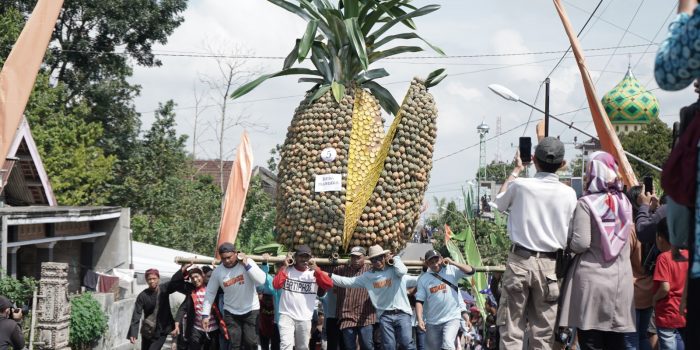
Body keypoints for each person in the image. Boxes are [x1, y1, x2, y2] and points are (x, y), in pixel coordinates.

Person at [493, 137, 577, 349]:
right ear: (562, 164)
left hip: (519, 261)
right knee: (544, 333)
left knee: (511, 328)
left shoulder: (520, 185)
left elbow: (499, 202)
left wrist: (517, 170)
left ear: (533, 159)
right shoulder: (569, 193)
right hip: (550, 266)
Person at [558, 151, 636, 349]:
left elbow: (581, 243)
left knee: (591, 342)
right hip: (621, 283)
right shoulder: (625, 203)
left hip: (592, 284)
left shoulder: (586, 203)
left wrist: (567, 242)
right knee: (616, 343)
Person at [331, 245, 416, 350]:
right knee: (389, 346)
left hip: (402, 313)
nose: (377, 261)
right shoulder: (368, 276)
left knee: (406, 343)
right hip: (385, 315)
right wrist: (328, 275)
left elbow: (403, 271)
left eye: (380, 257)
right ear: (370, 261)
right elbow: (348, 282)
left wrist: (395, 258)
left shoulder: (394, 270)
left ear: (384, 257)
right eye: (374, 259)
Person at [201, 243, 267, 350]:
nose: (226, 261)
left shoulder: (247, 262)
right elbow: (210, 292)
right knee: (235, 344)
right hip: (231, 313)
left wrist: (246, 264)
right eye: (223, 258)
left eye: (229, 257)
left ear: (236, 253)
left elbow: (261, 280)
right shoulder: (218, 272)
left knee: (251, 344)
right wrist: (205, 314)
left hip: (251, 310)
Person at [272, 244, 333, 350]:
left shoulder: (314, 273)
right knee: (286, 345)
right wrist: (285, 266)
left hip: (305, 317)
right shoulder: (288, 270)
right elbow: (276, 285)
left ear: (310, 258)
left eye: (306, 257)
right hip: (286, 315)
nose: (303, 259)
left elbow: (329, 285)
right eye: (301, 256)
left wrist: (317, 270)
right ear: (295, 257)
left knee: (303, 347)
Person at [415, 250, 474, 350]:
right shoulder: (423, 279)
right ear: (427, 264)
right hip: (432, 321)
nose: (435, 264)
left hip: (452, 318)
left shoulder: (452, 270)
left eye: (436, 260)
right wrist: (420, 319)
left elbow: (471, 271)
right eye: (431, 262)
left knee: (448, 344)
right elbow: (419, 301)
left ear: (441, 259)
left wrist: (453, 262)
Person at [652, 218, 689, 350]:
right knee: (681, 341)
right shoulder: (687, 255)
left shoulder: (663, 258)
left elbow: (665, 288)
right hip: (683, 310)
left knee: (668, 342)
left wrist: (654, 299)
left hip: (667, 312)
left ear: (660, 238)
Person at [128, 267, 185, 350]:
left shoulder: (164, 289)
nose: (152, 281)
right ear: (146, 280)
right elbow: (136, 314)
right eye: (149, 279)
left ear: (158, 278)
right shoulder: (142, 296)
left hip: (162, 330)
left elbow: (174, 282)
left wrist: (182, 269)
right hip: (148, 330)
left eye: (154, 278)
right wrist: (133, 333)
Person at [332, 246, 376, 350]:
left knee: (367, 346)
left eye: (358, 257)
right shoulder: (342, 269)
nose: (355, 260)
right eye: (353, 257)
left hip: (365, 316)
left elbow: (384, 278)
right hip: (347, 314)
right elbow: (328, 269)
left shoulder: (371, 271)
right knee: (349, 347)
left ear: (365, 257)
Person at [174, 266, 227, 350]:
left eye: (197, 276)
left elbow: (225, 282)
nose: (195, 280)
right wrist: (184, 268)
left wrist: (218, 269)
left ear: (202, 276)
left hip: (213, 329)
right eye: (192, 278)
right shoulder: (191, 290)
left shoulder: (213, 288)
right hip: (197, 329)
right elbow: (175, 284)